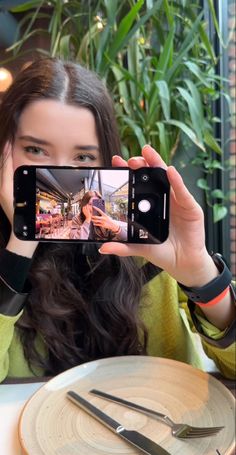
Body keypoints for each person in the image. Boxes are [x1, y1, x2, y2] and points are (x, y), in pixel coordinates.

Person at [0, 58, 235, 382]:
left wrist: (202, 276)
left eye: (83, 157)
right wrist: (19, 244)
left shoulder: (143, 244)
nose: (59, 178)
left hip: (168, 423)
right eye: (36, 151)